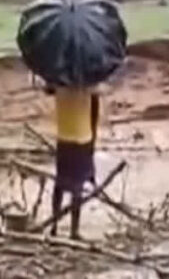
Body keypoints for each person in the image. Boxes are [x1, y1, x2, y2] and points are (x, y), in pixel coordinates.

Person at [51, 84, 99, 239]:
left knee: (60, 183)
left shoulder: (58, 78)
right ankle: (74, 230)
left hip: (63, 135)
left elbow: (48, 89)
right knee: (76, 187)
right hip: (81, 136)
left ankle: (54, 225)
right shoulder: (88, 81)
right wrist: (93, 142)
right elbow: (94, 114)